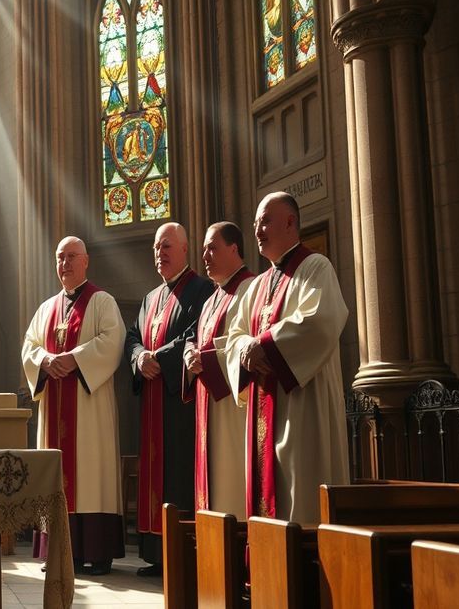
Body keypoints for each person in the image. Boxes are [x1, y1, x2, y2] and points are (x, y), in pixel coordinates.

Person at [224, 192, 349, 523]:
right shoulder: (256, 286)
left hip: (302, 407)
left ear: (291, 222)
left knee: (301, 496)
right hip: (264, 408)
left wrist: (262, 344)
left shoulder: (315, 267)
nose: (258, 230)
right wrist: (246, 349)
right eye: (255, 224)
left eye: (265, 221)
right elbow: (234, 337)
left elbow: (320, 321)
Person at [22, 236, 126, 575]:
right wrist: (46, 360)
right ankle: (58, 552)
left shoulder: (102, 301)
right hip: (54, 404)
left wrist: (76, 360)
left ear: (86, 261)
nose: (65, 263)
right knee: (56, 475)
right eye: (60, 257)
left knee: (91, 473)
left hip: (88, 407)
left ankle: (96, 552)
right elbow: (29, 347)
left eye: (71, 257)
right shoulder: (46, 308)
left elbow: (113, 341)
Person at [124, 222, 214, 576]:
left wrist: (156, 358)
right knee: (154, 476)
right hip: (152, 402)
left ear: (185, 250)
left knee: (177, 474)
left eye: (166, 247)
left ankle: (182, 553)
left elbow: (196, 335)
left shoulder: (202, 289)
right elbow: (132, 336)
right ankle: (157, 553)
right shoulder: (150, 298)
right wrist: (137, 357)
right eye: (156, 248)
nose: (160, 253)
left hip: (180, 406)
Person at [182, 223, 255, 517]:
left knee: (232, 484)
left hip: (235, 408)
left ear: (234, 248)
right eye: (203, 250)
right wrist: (190, 355)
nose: (205, 257)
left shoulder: (251, 287)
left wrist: (207, 360)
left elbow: (247, 342)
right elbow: (195, 340)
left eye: (212, 248)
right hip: (208, 406)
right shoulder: (212, 298)